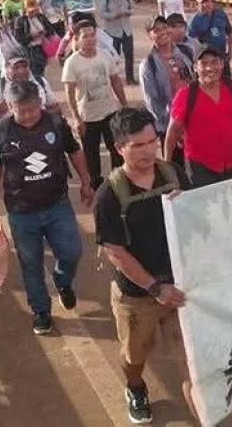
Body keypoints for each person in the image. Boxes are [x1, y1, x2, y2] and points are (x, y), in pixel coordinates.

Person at [93, 107, 197, 425]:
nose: (150, 150)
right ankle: (135, 387)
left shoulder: (174, 174)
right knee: (134, 356)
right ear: (118, 147)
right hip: (138, 296)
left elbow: (198, 219)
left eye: (153, 140)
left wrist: (188, 208)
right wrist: (154, 287)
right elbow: (116, 253)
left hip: (179, 288)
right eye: (138, 145)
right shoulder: (108, 196)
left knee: (192, 365)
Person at [0, 80, 93, 335]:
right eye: (22, 111)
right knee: (30, 263)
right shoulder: (3, 130)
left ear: (40, 104)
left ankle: (63, 281)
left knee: (72, 251)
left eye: (34, 109)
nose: (29, 116)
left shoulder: (55, 123)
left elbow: (75, 152)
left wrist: (86, 181)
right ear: (10, 107)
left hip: (57, 205)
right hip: (21, 211)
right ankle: (41, 311)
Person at [164, 46, 232, 187]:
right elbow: (172, 132)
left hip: (230, 163)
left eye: (214, 62)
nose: (209, 68)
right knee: (204, 207)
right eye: (204, 63)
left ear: (222, 64)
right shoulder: (186, 95)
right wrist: (167, 168)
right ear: (195, 67)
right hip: (199, 167)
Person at [62, 20, 129, 189]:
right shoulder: (72, 62)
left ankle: (117, 183)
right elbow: (69, 93)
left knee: (117, 149)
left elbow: (115, 81)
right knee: (92, 155)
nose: (90, 40)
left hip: (110, 112)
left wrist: (124, 105)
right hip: (87, 117)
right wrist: (76, 118)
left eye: (93, 35)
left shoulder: (105, 55)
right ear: (77, 39)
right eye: (86, 37)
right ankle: (97, 187)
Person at [139, 16, 194, 164]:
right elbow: (153, 103)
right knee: (176, 167)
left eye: (164, 27)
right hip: (170, 124)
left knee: (200, 163)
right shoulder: (148, 64)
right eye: (156, 30)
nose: (163, 32)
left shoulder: (186, 52)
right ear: (149, 35)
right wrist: (174, 127)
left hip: (194, 117)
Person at [0, 50, 59, 122]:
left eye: (24, 66)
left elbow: (54, 106)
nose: (21, 71)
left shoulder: (41, 82)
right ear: (6, 67)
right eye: (16, 67)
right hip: (9, 135)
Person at [188, 0, 232, 78]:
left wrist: (230, 51)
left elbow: (229, 32)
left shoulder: (220, 14)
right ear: (197, 5)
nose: (205, 5)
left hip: (222, 55)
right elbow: (190, 40)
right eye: (201, 2)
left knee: (227, 81)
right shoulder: (195, 20)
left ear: (212, 2)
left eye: (207, 1)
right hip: (207, 58)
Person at [99, 0, 136, 84]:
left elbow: (133, 8)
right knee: (114, 56)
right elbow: (102, 14)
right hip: (112, 31)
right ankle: (114, 79)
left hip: (126, 30)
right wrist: (114, 15)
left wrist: (128, 12)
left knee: (129, 54)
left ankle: (130, 78)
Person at [14, 0, 57, 78]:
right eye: (31, 9)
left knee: (42, 70)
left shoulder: (41, 17)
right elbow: (18, 37)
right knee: (35, 72)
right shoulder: (21, 20)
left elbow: (50, 30)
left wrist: (44, 33)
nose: (34, 11)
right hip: (30, 50)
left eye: (35, 8)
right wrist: (32, 36)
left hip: (43, 47)